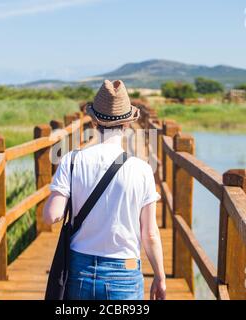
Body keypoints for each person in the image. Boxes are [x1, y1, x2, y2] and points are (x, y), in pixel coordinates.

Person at [43, 79, 166, 300]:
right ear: (127, 124)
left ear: (93, 122)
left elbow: (52, 216)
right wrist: (160, 277)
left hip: (79, 269)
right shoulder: (142, 169)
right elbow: (149, 233)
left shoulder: (72, 161)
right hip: (125, 272)